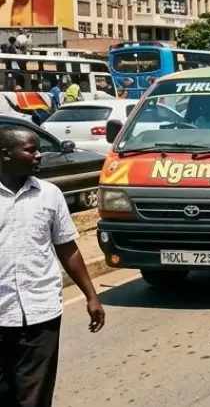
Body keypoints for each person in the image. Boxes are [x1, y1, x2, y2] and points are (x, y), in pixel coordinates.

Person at [0, 126, 105, 407]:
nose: (39, 156)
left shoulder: (50, 194)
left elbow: (66, 247)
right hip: (1, 312)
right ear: (5, 155)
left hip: (41, 310)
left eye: (39, 149)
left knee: (34, 396)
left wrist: (91, 296)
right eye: (30, 150)